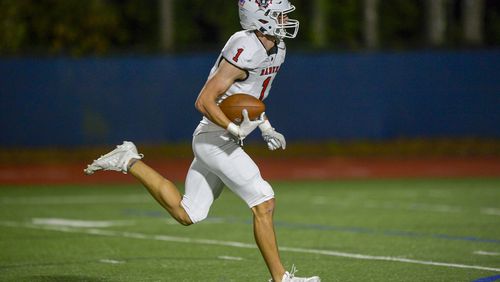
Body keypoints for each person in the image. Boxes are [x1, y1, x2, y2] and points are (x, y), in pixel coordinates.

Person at [84, 1, 320, 281]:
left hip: (218, 138)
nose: (285, 19)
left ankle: (128, 160)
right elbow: (204, 100)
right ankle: (281, 278)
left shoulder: (277, 48)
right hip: (214, 139)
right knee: (264, 201)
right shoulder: (245, 47)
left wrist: (265, 126)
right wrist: (233, 128)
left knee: (188, 213)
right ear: (261, 18)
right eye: (279, 14)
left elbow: (252, 99)